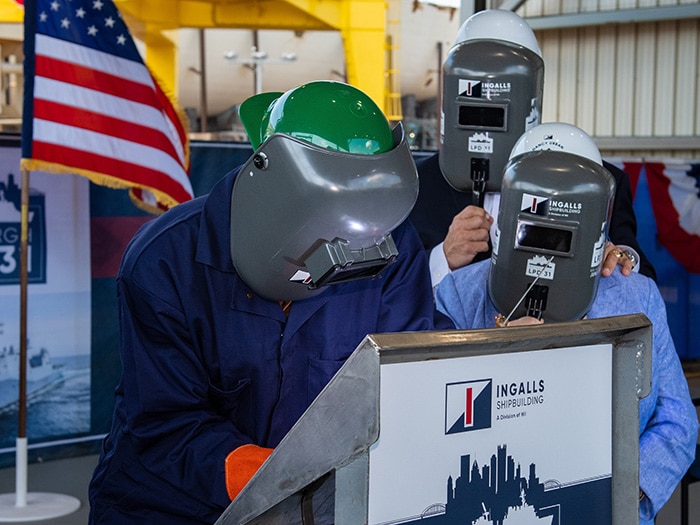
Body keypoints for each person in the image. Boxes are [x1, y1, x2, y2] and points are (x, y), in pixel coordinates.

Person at [88, 80, 452, 525]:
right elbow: (167, 423)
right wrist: (277, 479)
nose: (358, 243)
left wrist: (494, 355)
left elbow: (408, 361)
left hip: (310, 504)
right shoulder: (164, 263)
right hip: (170, 505)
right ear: (277, 191)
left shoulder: (386, 240)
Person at [434, 123, 698, 524]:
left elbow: (677, 421)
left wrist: (618, 495)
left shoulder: (636, 297)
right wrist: (493, 358)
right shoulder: (459, 294)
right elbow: (432, 422)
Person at [408, 9, 655, 286]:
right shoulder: (417, 185)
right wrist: (442, 259)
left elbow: (642, 281)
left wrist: (621, 259)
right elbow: (388, 289)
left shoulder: (594, 182)